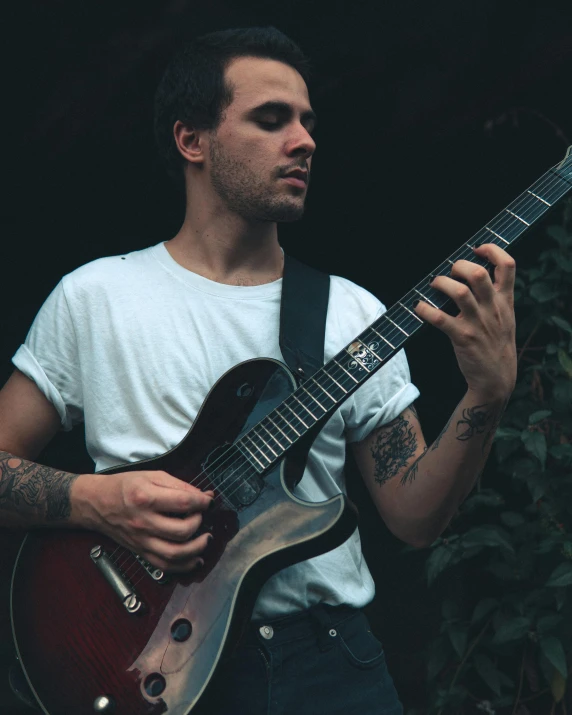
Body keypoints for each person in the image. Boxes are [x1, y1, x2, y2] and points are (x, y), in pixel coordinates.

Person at [0, 26, 516, 715]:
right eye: (271, 119)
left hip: (330, 666)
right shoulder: (95, 297)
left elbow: (416, 517)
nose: (303, 140)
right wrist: (98, 501)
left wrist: (487, 392)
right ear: (193, 141)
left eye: (307, 122)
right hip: (150, 654)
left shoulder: (350, 313)